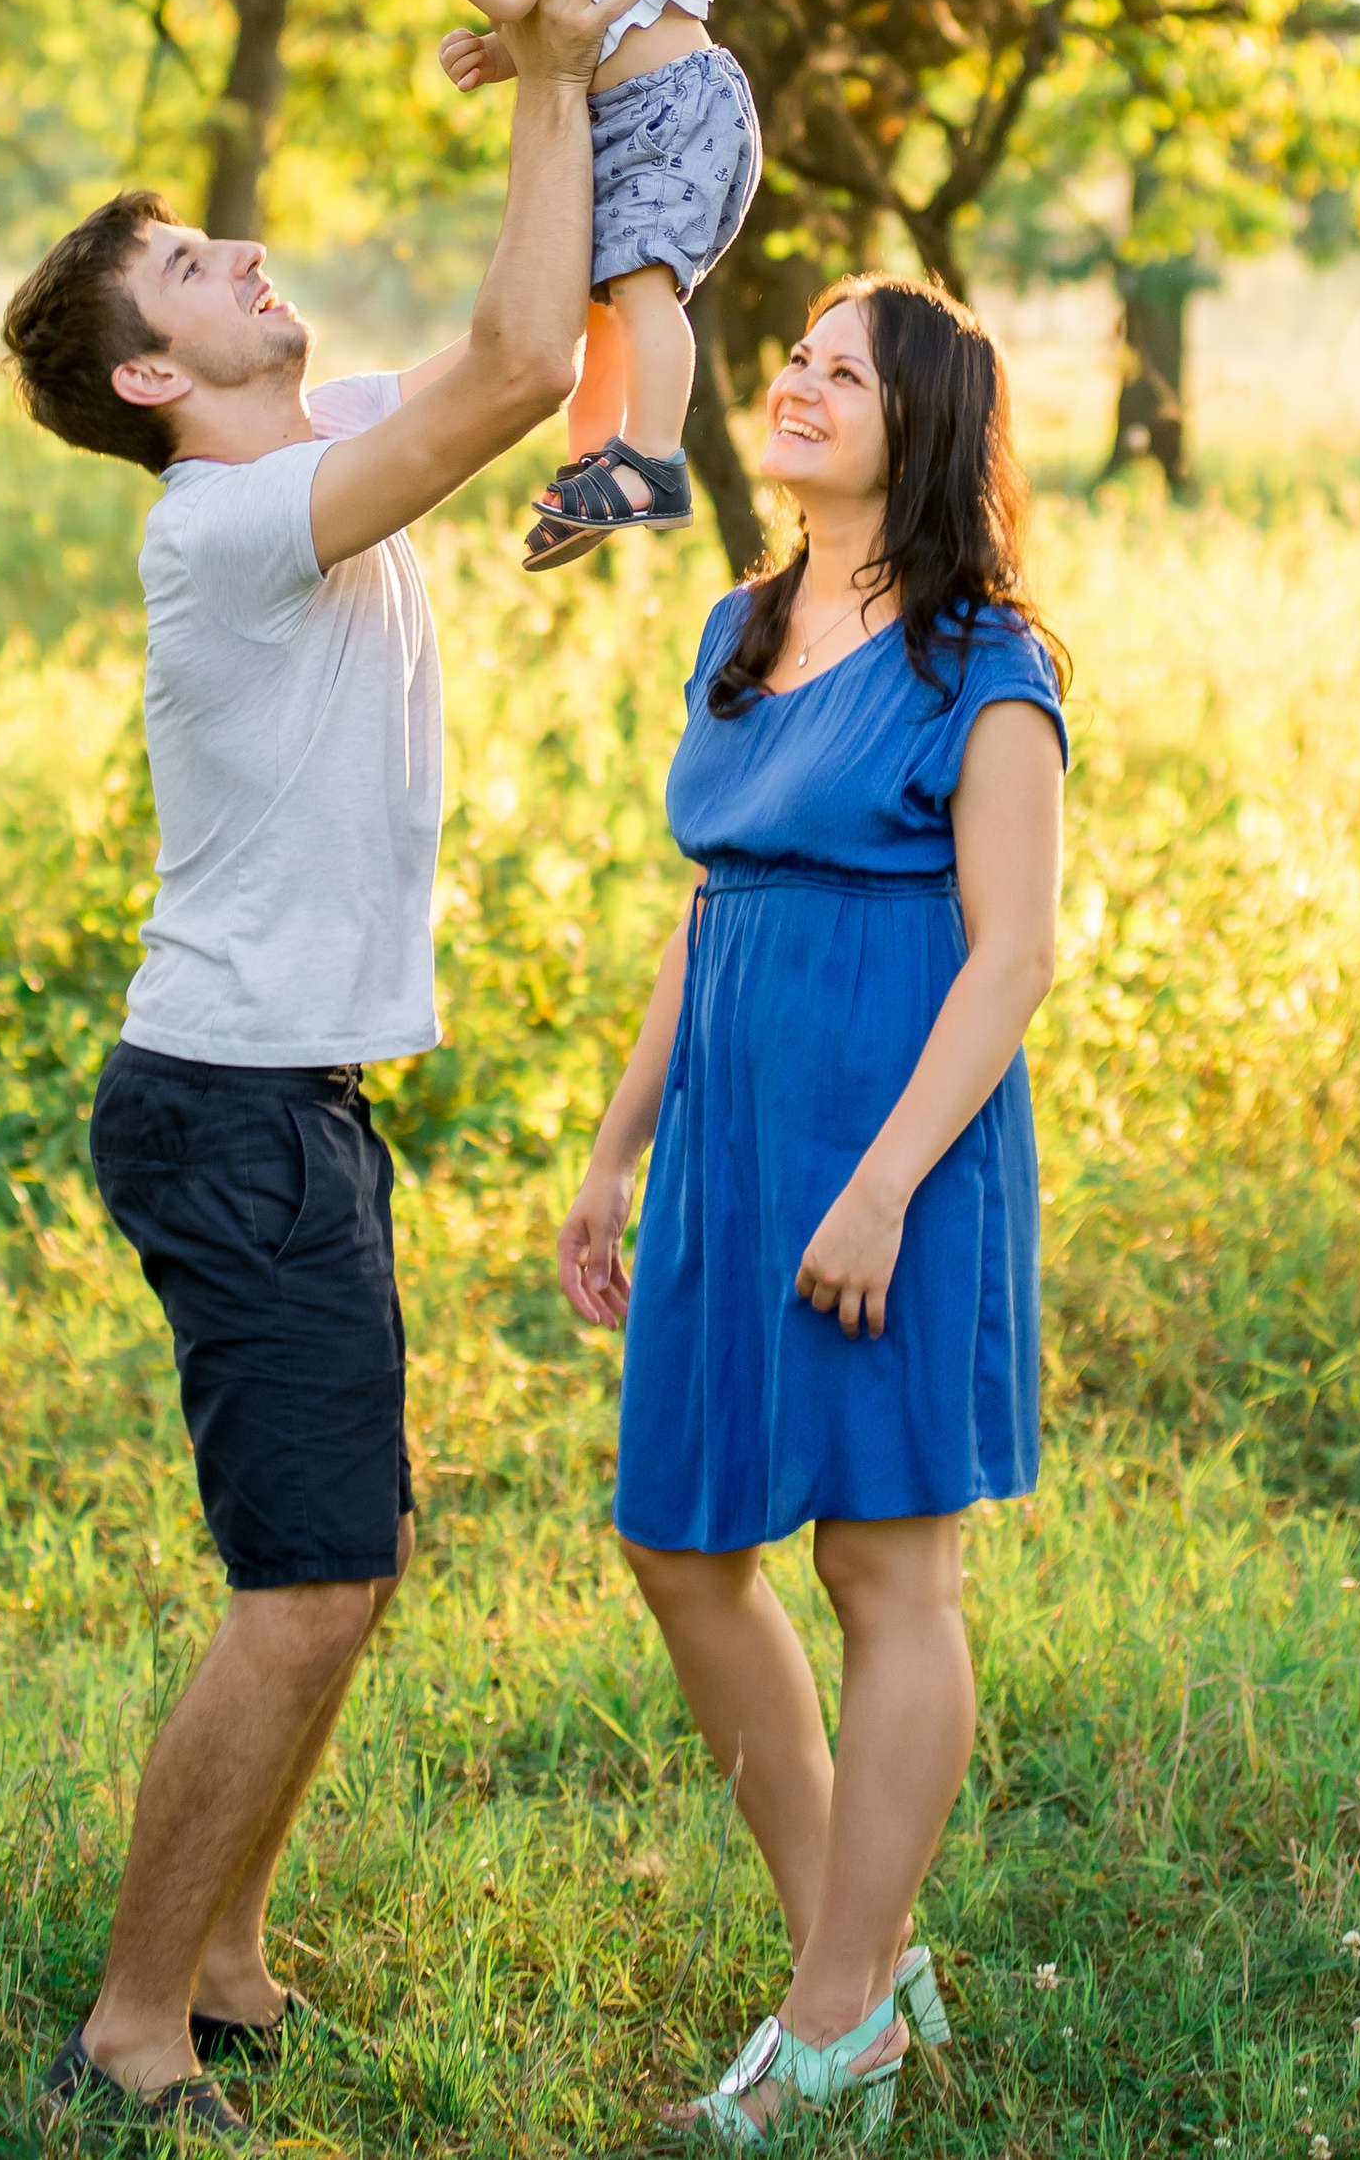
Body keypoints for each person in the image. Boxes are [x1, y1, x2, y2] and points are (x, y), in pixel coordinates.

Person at [0, 0, 645, 2147]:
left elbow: (536, 354)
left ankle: (228, 1957)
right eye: (188, 267)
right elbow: (491, 373)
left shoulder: (303, 443)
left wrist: (586, 67)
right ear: (154, 379)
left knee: (345, 1563)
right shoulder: (225, 524)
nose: (245, 249)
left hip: (289, 1099)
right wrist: (544, 54)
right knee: (304, 1583)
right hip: (228, 1105)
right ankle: (129, 2022)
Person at [557, 275, 1066, 2142]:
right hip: (728, 1140)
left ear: (920, 427)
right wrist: (621, 1145)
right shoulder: (737, 625)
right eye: (796, 358)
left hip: (894, 1151)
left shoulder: (983, 663)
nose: (799, 381)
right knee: (681, 1543)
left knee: (883, 1567)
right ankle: (850, 1962)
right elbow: (711, 912)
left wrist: (877, 1191)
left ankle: (835, 2009)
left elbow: (1010, 961)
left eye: (845, 371)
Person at [392, 0, 762, 569]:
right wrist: (504, 54)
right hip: (645, 106)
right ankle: (596, 465)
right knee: (597, 301)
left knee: (639, 287)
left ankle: (657, 461)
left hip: (671, 110)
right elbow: (568, 11)